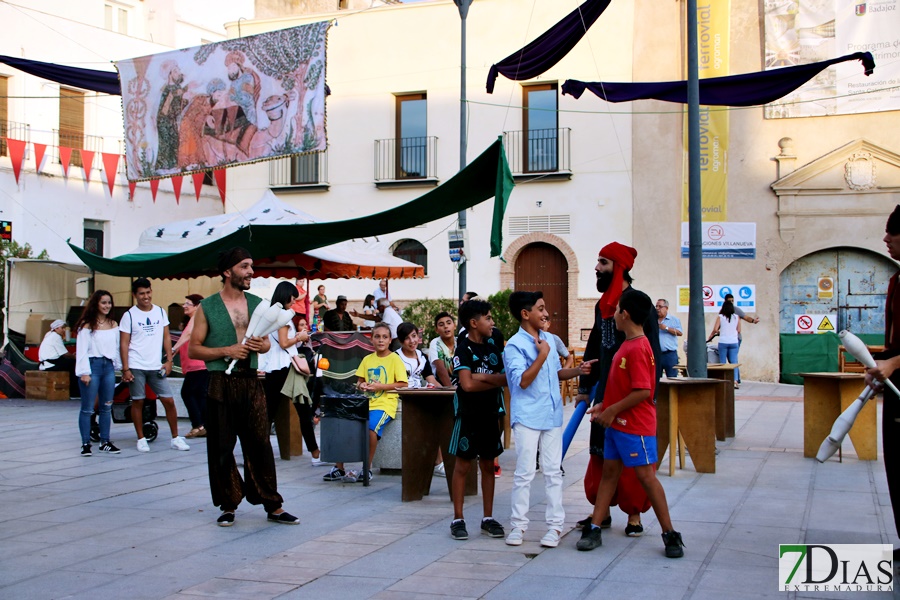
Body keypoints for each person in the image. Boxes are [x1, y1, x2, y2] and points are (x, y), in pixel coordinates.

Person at [189, 247, 299, 526]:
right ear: (228, 272)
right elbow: (194, 350)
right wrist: (227, 349)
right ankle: (228, 504)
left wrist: (258, 345)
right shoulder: (208, 306)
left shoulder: (257, 304)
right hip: (219, 383)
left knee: (260, 444)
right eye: (245, 266)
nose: (251, 272)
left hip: (251, 381)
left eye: (251, 266)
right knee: (222, 446)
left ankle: (273, 505)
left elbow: (264, 342)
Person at [576, 289, 684, 558]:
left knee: (647, 478)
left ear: (625, 314)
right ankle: (595, 527)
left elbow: (643, 391)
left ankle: (670, 534)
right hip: (616, 425)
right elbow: (622, 387)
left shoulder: (638, 347)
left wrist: (611, 410)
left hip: (635, 427)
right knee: (609, 475)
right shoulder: (628, 344)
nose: (612, 315)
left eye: (616, 311)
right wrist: (604, 405)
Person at [576, 242, 661, 537]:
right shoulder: (603, 306)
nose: (597, 268)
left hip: (632, 397)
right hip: (605, 394)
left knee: (631, 457)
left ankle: (634, 514)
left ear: (619, 267)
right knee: (601, 453)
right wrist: (585, 386)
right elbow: (596, 347)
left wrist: (648, 396)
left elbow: (653, 353)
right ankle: (602, 512)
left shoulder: (637, 302)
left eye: (603, 262)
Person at [503, 291, 586, 549]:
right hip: (527, 416)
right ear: (525, 314)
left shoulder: (548, 338)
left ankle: (555, 527)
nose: (546, 313)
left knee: (553, 472)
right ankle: (518, 526)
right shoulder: (515, 345)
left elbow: (555, 373)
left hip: (551, 415)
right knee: (525, 473)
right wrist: (541, 354)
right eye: (540, 308)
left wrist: (578, 370)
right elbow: (523, 381)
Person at [448, 299, 507, 541]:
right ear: (474, 323)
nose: (492, 322)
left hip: (491, 414)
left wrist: (483, 378)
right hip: (469, 415)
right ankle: (458, 518)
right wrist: (488, 379)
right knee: (463, 465)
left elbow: (505, 378)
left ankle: (488, 518)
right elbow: (467, 385)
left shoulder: (494, 346)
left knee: (488, 465)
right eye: (488, 318)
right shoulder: (463, 349)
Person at [322, 322, 407, 483]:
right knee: (343, 424)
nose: (381, 340)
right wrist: (362, 385)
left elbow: (403, 384)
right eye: (377, 337)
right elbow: (360, 381)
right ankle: (339, 467)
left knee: (370, 429)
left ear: (390, 340)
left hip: (384, 404)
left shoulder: (394, 359)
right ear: (371, 340)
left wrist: (380, 386)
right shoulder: (368, 359)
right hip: (364, 403)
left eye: (384, 337)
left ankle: (366, 468)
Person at [864, 204, 900, 561]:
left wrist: (895, 362)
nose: (886, 238)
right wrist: (882, 365)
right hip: (894, 387)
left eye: (894, 231)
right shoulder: (895, 280)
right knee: (895, 467)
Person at [119, 278, 190, 453]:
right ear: (135, 295)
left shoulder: (159, 312)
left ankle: (175, 438)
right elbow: (124, 343)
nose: (146, 296)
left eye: (148, 292)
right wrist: (126, 368)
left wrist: (169, 361)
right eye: (142, 293)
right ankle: (141, 438)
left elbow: (166, 337)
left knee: (168, 400)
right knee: (138, 401)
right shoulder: (129, 315)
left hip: (156, 365)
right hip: (136, 364)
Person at [261, 282, 323, 464]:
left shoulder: (271, 314)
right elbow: (283, 343)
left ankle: (259, 450)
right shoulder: (282, 316)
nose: (294, 301)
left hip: (274, 367)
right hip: (286, 367)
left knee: (269, 411)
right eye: (293, 298)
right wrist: (300, 337)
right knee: (302, 409)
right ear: (286, 295)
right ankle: (315, 452)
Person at [74, 291, 121, 457]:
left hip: (108, 367)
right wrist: (84, 372)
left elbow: (116, 348)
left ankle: (105, 441)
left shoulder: (114, 324)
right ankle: (86, 443)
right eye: (103, 303)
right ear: (96, 304)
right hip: (92, 366)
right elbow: (81, 351)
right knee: (87, 409)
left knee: (106, 407)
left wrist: (119, 366)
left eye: (109, 303)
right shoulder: (87, 325)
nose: (107, 306)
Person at [172, 294, 208, 438]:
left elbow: (187, 335)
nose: (184, 306)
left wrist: (173, 350)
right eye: (184, 303)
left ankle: (198, 425)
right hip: (197, 365)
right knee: (199, 396)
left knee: (187, 393)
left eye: (188, 303)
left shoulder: (197, 318)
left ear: (197, 306)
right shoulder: (194, 320)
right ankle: (203, 426)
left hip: (198, 364)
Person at [39, 319, 79, 397]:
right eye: (62, 328)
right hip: (51, 364)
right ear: (56, 328)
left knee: (69, 362)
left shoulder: (48, 334)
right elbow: (65, 354)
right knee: (74, 365)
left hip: (46, 363)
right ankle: (74, 393)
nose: (64, 330)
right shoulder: (56, 336)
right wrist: (74, 357)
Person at [707, 300, 741, 388]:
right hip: (734, 342)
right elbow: (739, 330)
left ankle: (723, 380)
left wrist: (720, 332)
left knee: (722, 362)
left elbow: (715, 329)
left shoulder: (720, 317)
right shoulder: (737, 317)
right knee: (734, 362)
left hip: (723, 342)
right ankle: (735, 381)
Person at [395, 322, 438, 389]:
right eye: (407, 338)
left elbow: (431, 380)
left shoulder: (422, 357)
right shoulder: (395, 357)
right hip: (400, 397)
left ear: (418, 336)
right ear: (400, 341)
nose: (412, 341)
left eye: (414, 336)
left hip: (419, 396)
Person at [428, 311, 457, 386]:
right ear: (436, 330)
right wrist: (451, 391)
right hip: (442, 387)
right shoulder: (435, 343)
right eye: (441, 325)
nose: (446, 326)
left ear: (455, 326)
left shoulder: (460, 342)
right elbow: (440, 369)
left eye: (449, 323)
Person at [656, 299, 683, 378]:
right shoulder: (653, 320)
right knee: (656, 378)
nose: (657, 308)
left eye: (660, 306)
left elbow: (679, 333)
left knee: (672, 378)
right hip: (657, 354)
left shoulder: (674, 320)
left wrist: (666, 328)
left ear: (666, 308)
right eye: (656, 306)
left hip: (670, 354)